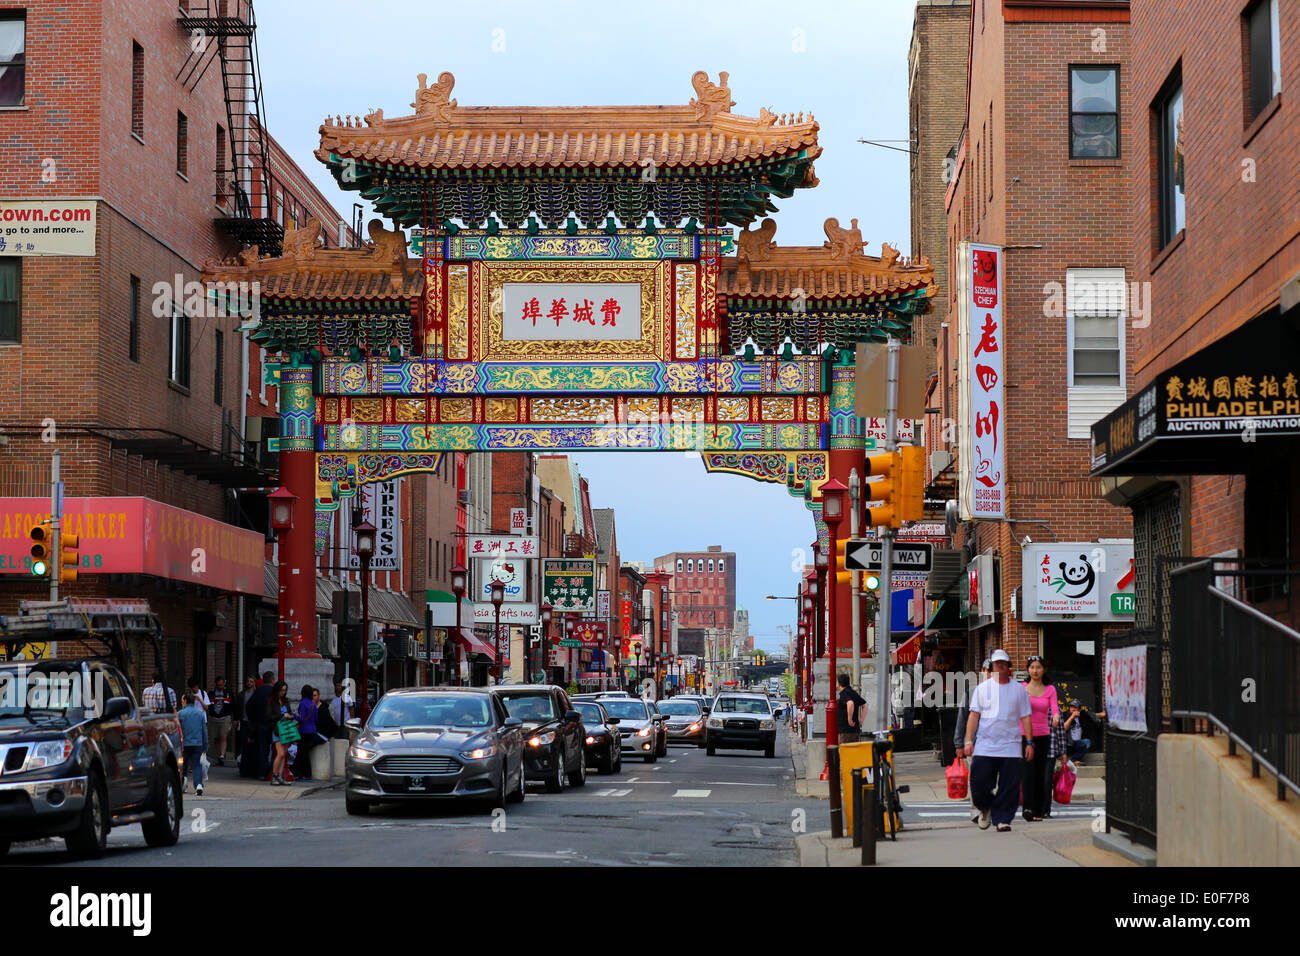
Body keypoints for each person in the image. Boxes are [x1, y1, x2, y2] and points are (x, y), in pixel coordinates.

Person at [960, 649, 1033, 832]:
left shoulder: (1019, 690)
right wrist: (968, 740)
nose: (999, 667)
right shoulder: (982, 689)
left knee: (1010, 785)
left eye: (1002, 664)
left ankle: (1003, 819)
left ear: (1009, 667)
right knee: (979, 783)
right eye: (996, 664)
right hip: (985, 745)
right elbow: (973, 716)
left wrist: (1030, 742)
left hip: (1011, 745)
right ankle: (986, 807)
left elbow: (1026, 717)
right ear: (991, 667)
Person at [1021, 655, 1060, 822]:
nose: (1035, 670)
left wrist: (1056, 717)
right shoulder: (1021, 687)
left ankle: (1038, 811)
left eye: (1038, 667)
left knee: (1040, 774)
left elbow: (1055, 708)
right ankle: (1028, 808)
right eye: (1032, 667)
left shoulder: (1050, 689)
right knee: (1027, 772)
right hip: (1024, 735)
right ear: (1028, 670)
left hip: (1044, 735)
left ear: (1044, 670)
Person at [953, 659, 991, 823]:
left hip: (996, 743)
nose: (990, 674)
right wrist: (959, 743)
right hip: (975, 743)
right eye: (988, 670)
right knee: (975, 778)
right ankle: (976, 810)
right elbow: (962, 718)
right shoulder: (972, 692)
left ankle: (989, 808)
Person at [177, 693, 209, 797]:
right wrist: (205, 745)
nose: (181, 702)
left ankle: (183, 783)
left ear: (185, 701)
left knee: (183, 765)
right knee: (196, 765)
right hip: (197, 743)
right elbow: (204, 731)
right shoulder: (200, 714)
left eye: (182, 700)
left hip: (184, 744)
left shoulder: (180, 714)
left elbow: (178, 731)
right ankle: (199, 785)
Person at [245, 671, 275, 780]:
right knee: (275, 749)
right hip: (273, 724)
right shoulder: (274, 692)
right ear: (273, 680)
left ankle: (262, 773)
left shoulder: (258, 692)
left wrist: (253, 719)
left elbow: (248, 706)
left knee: (263, 749)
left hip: (261, 724)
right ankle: (273, 772)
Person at [266, 681, 296, 786]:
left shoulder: (285, 701)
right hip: (277, 728)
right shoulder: (271, 701)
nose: (283, 692)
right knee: (280, 753)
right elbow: (269, 716)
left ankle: (279, 775)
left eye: (285, 690)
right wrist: (283, 716)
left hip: (287, 727)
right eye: (281, 690)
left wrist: (291, 715)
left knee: (284, 754)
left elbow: (290, 712)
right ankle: (275, 775)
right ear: (277, 690)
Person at [1063, 698, 1106, 764]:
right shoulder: (1065, 715)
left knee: (1087, 742)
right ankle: (1072, 761)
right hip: (1067, 744)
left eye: (1075, 707)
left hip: (1077, 744)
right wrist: (1071, 717)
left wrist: (1105, 714)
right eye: (1071, 707)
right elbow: (1064, 728)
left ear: (1079, 709)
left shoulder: (1083, 715)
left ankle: (1073, 761)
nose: (1073, 709)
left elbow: (1095, 715)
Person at [293, 685, 320, 781]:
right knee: (304, 753)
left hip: (304, 731)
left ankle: (305, 774)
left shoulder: (302, 703)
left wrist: (293, 715)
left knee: (302, 753)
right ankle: (300, 773)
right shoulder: (314, 704)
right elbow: (316, 718)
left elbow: (302, 719)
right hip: (313, 731)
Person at [208, 676, 234, 766]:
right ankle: (219, 756)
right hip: (214, 717)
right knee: (216, 737)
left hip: (224, 717)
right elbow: (209, 705)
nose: (220, 687)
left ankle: (222, 755)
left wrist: (233, 718)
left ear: (224, 684)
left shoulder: (228, 693)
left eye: (222, 685)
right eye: (218, 685)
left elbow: (233, 705)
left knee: (223, 736)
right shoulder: (211, 693)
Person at [836, 673, 866, 743]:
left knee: (845, 752)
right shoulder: (853, 692)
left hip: (846, 731)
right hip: (855, 730)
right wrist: (861, 719)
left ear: (839, 684)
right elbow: (865, 705)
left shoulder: (844, 693)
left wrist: (849, 719)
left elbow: (850, 703)